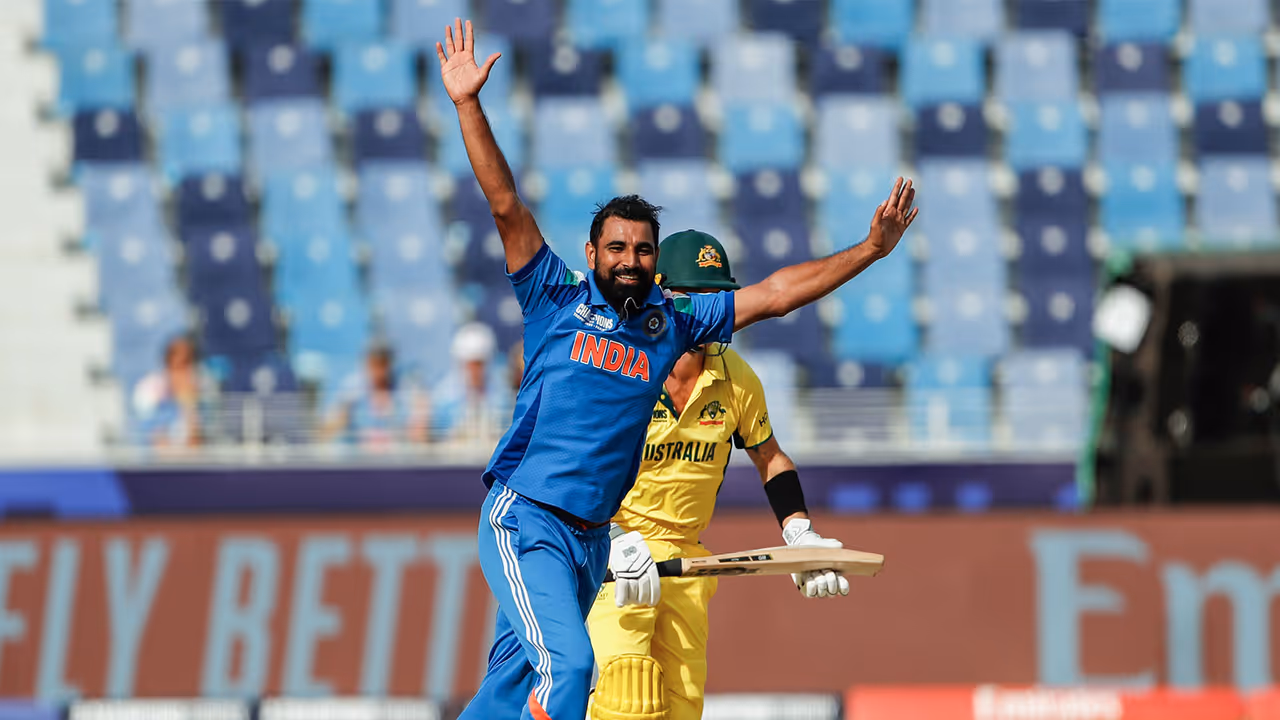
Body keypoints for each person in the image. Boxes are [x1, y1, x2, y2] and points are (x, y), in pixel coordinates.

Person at [436, 18, 917, 720]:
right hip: (529, 518)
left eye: (641, 250)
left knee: (503, 695)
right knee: (571, 671)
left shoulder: (673, 326)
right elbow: (506, 205)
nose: (629, 260)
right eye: (617, 248)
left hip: (592, 540)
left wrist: (869, 250)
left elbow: (778, 294)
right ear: (593, 252)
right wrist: (468, 105)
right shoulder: (552, 298)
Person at [586, 231, 848, 720]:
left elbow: (771, 457)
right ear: (661, 292)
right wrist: (613, 536)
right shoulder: (617, 365)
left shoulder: (736, 378)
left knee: (680, 711)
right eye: (695, 295)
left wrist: (799, 532)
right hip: (613, 559)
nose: (709, 308)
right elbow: (577, 470)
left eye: (718, 296)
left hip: (687, 565)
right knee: (626, 695)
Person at [321, 344, 430, 448]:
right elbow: (327, 429)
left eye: (383, 364)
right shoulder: (352, 387)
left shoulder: (404, 384)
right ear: (366, 364)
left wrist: (418, 420)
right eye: (373, 364)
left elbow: (420, 425)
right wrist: (341, 417)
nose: (378, 372)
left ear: (390, 364)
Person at [132, 335, 215, 448]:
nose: (183, 372)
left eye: (188, 363)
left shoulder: (203, 389)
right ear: (167, 363)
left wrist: (189, 404)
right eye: (178, 366)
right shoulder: (149, 389)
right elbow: (157, 446)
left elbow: (197, 444)